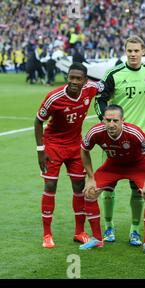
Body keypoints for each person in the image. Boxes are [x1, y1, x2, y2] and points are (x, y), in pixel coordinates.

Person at [95, 35, 145, 246]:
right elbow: (100, 100)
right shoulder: (114, 74)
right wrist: (108, 125)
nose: (133, 54)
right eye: (129, 50)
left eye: (136, 50)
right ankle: (109, 227)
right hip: (114, 139)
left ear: (143, 51)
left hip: (140, 142)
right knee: (108, 187)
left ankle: (134, 230)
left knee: (138, 189)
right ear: (126, 51)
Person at [34, 62, 103, 248]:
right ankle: (47, 234)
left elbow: (106, 84)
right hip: (53, 145)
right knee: (50, 185)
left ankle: (79, 232)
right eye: (71, 77)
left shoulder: (90, 89)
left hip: (75, 146)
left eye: (78, 78)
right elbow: (38, 121)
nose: (73, 81)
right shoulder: (54, 97)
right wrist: (41, 151)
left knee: (79, 187)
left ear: (85, 80)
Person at [80, 104, 145, 250]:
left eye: (115, 121)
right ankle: (97, 238)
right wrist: (90, 178)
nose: (111, 124)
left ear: (122, 120)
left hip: (137, 166)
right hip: (113, 166)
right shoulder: (95, 131)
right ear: (103, 120)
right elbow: (84, 150)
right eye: (108, 120)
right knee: (89, 193)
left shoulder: (135, 133)